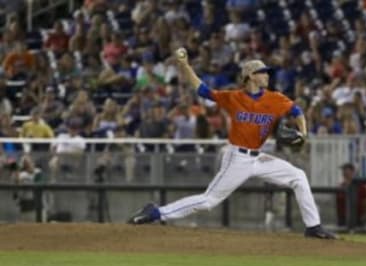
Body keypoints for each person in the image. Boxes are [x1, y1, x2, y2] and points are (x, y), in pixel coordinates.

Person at [128, 48, 336, 239]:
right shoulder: (233, 97)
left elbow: (297, 112)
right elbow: (203, 90)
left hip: (259, 157)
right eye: (263, 72)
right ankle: (156, 212)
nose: (267, 75)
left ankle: (313, 226)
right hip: (237, 157)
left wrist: (303, 133)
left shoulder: (275, 98)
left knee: (298, 177)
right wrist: (185, 65)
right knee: (209, 201)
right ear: (251, 76)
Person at [335, 163, 366, 227]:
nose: (344, 172)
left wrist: (364, 215)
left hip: (358, 218)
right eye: (343, 170)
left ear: (352, 172)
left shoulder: (361, 186)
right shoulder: (341, 186)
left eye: (346, 170)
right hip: (343, 219)